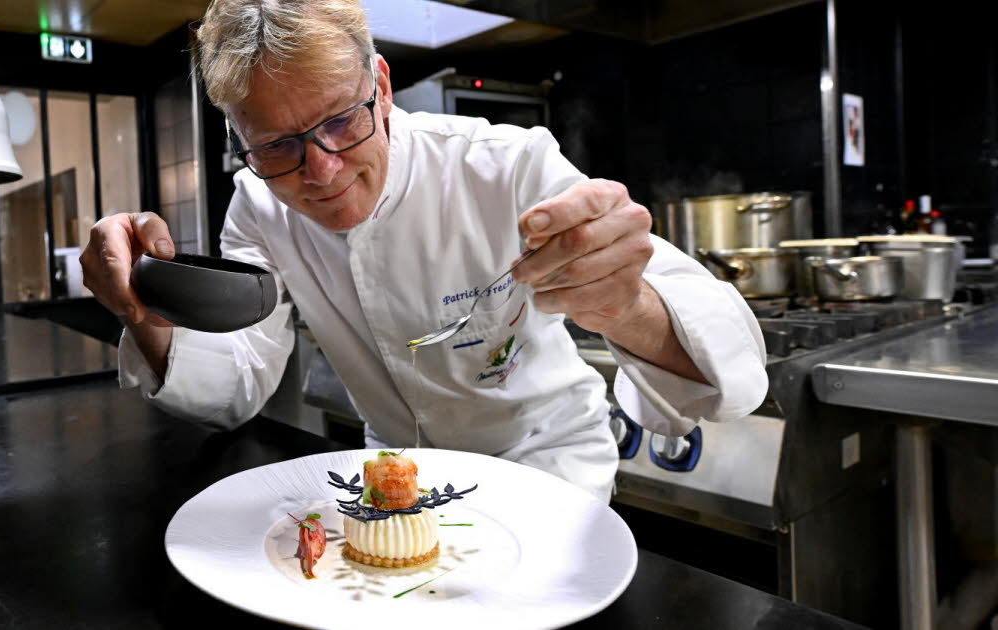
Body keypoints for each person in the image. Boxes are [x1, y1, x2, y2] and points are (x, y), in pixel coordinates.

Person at [80, 0, 767, 502]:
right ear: (240, 139)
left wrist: (624, 304)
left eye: (342, 120)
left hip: (546, 474)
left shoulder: (506, 167)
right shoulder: (260, 208)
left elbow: (730, 367)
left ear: (380, 85)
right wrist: (145, 307)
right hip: (394, 479)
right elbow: (235, 386)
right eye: (278, 146)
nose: (321, 171)